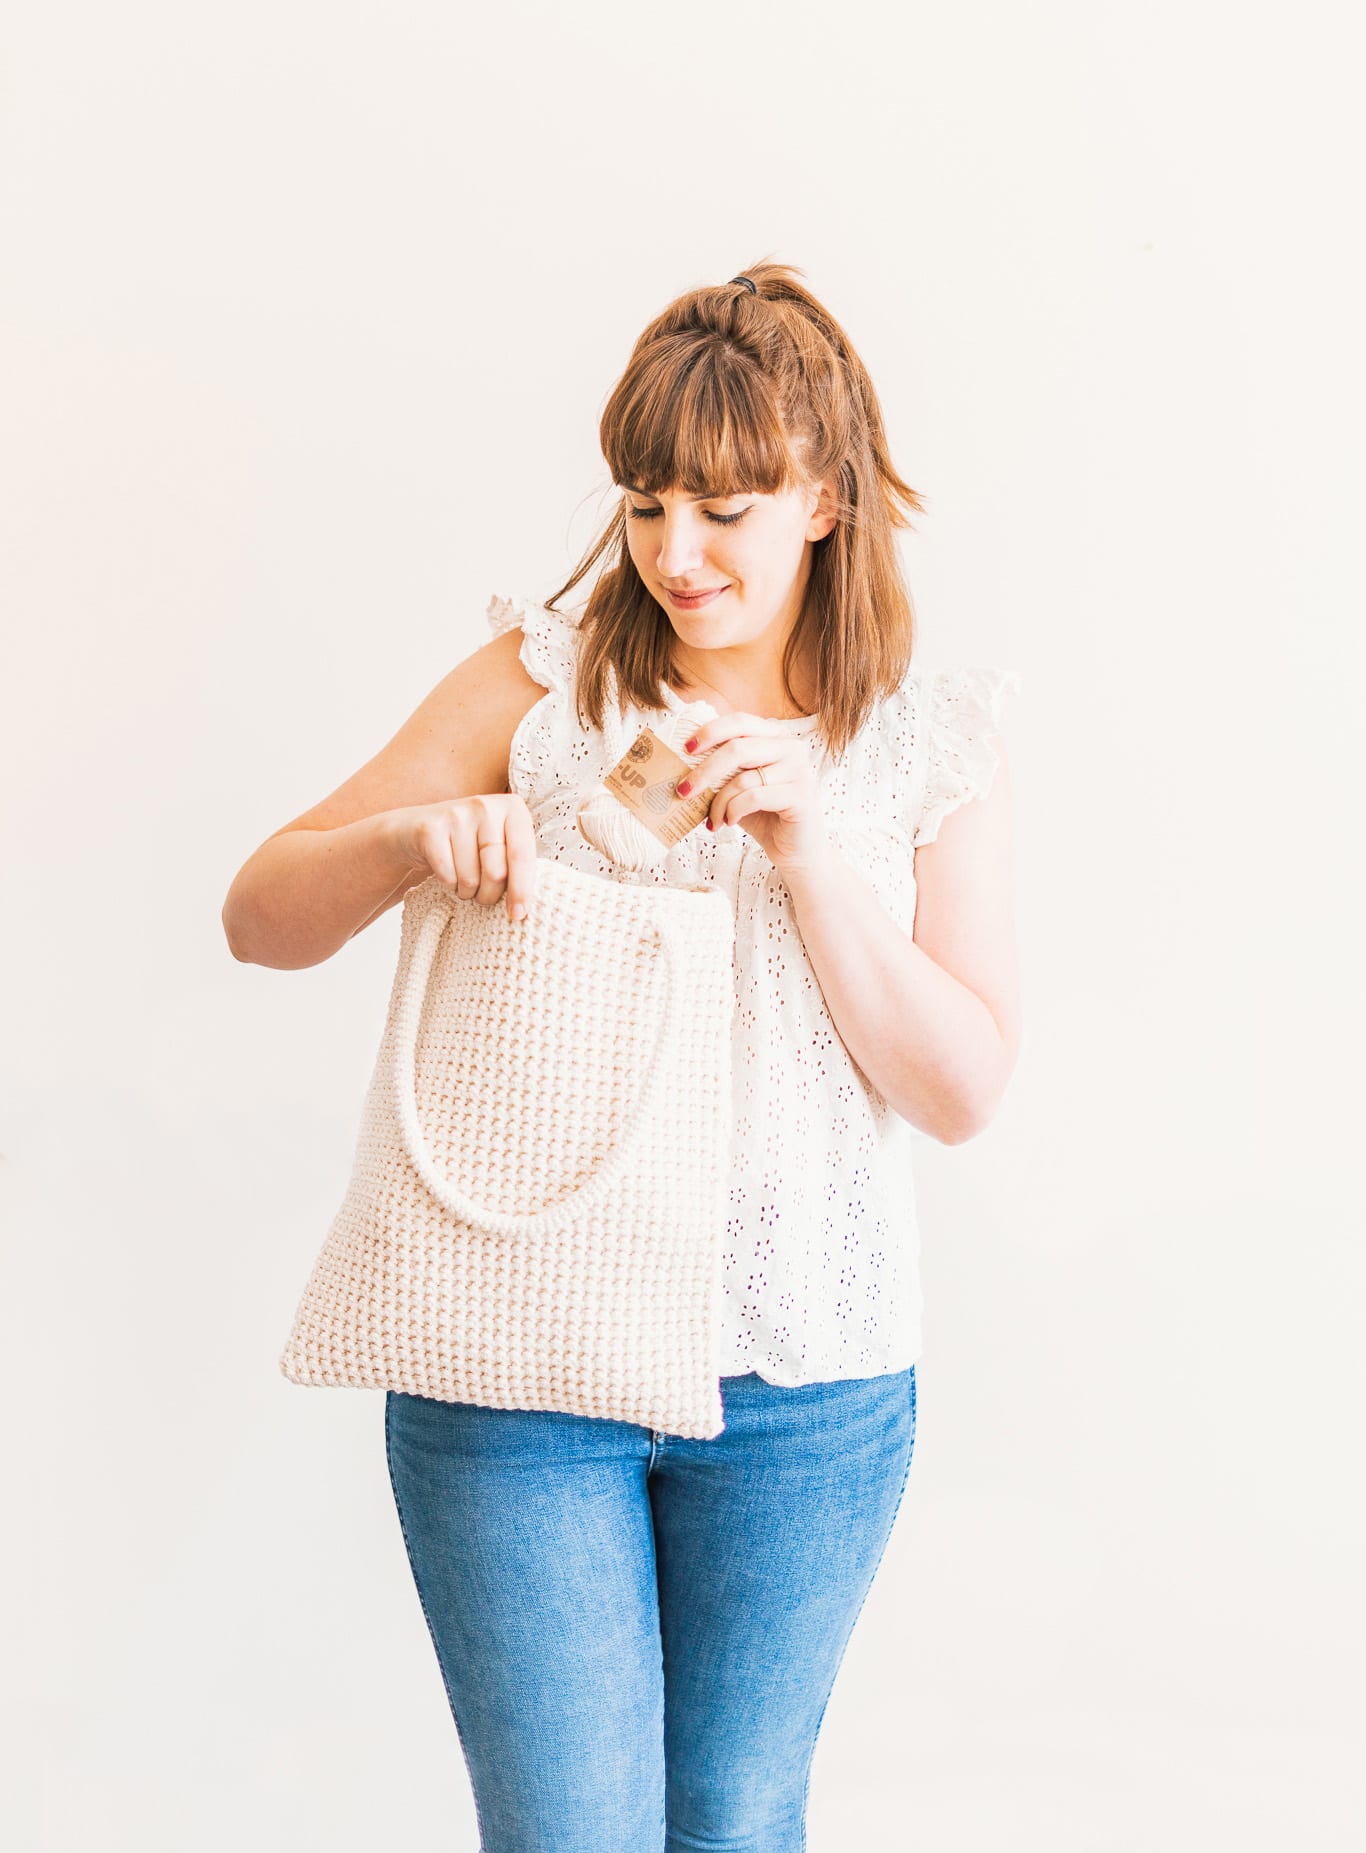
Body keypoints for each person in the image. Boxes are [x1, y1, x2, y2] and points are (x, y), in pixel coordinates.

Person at [223, 259, 1021, 1852]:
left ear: (824, 498)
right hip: (520, 1359)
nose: (674, 551)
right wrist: (408, 839)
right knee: (571, 1831)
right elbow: (260, 914)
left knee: (731, 1817)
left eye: (725, 508)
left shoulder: (916, 740)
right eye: (647, 500)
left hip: (807, 1375)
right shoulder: (546, 679)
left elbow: (959, 1087)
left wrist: (807, 851)